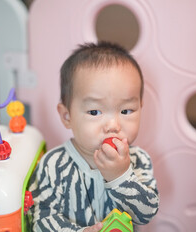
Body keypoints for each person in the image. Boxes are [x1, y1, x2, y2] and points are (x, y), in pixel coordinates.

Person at [28, 41, 159, 232]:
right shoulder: (52, 165)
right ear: (67, 116)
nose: (113, 125)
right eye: (95, 112)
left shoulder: (139, 160)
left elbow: (146, 213)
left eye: (126, 110)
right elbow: (41, 220)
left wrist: (121, 177)